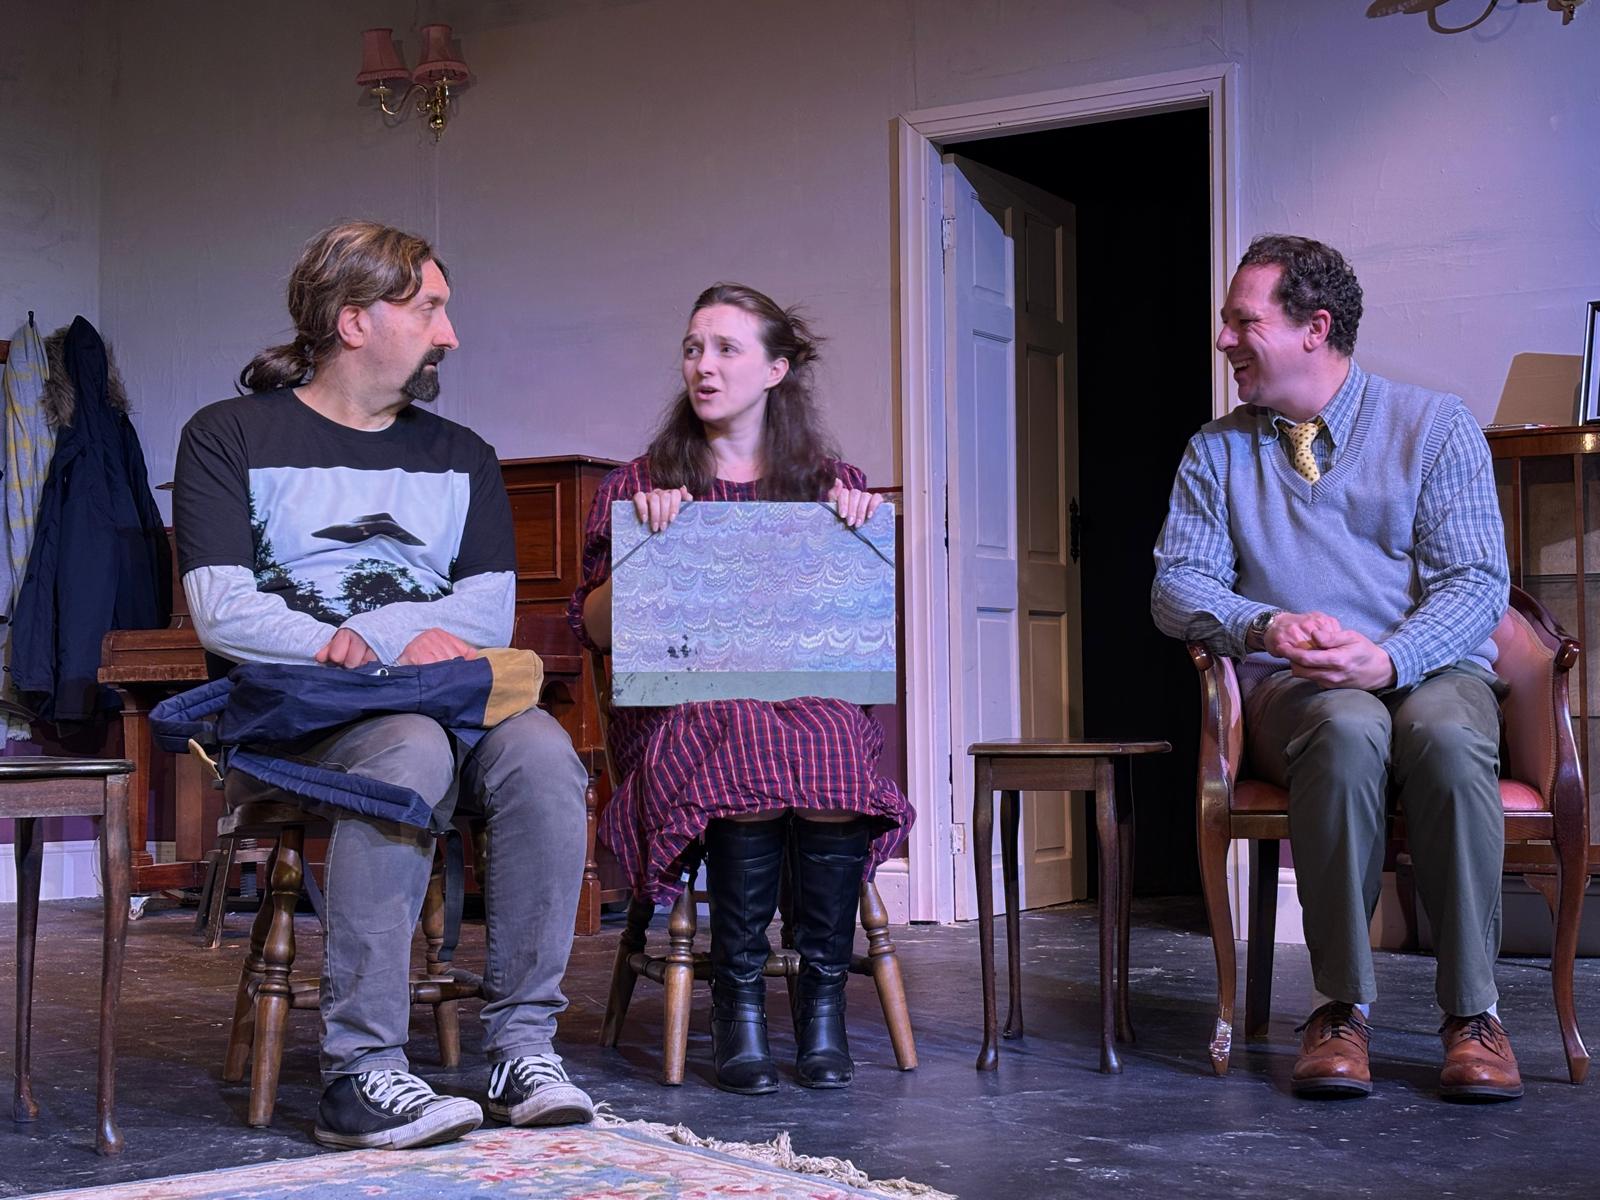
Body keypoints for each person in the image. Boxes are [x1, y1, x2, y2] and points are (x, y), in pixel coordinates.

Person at [173, 221, 595, 1149]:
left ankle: (522, 1049)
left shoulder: (461, 455)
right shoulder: (228, 436)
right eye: (430, 309)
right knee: (407, 749)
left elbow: (484, 616)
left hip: (440, 699)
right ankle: (361, 1073)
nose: (451, 335)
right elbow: (223, 610)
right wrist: (370, 646)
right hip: (299, 712)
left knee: (540, 752)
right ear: (354, 319)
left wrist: (376, 642)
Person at [1152, 235, 1518, 1101]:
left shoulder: (1434, 427)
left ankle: (1474, 1014)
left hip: (1432, 672)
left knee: (1446, 736)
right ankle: (1339, 1007)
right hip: (1299, 689)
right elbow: (1177, 586)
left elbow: (1476, 583)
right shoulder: (1216, 451)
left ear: (1315, 328)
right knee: (1347, 728)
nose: (1225, 339)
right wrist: (1266, 623)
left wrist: (1389, 657)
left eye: (1243, 322)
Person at [569, 283, 912, 1094]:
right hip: (680, 720)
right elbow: (595, 631)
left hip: (803, 709)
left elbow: (854, 641)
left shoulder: (830, 485)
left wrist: (857, 529)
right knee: (743, 729)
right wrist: (643, 552)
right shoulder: (641, 484)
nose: (704, 365)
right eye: (694, 348)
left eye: (727, 349)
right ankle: (740, 1005)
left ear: (775, 370)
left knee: (829, 735)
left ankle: (821, 1007)